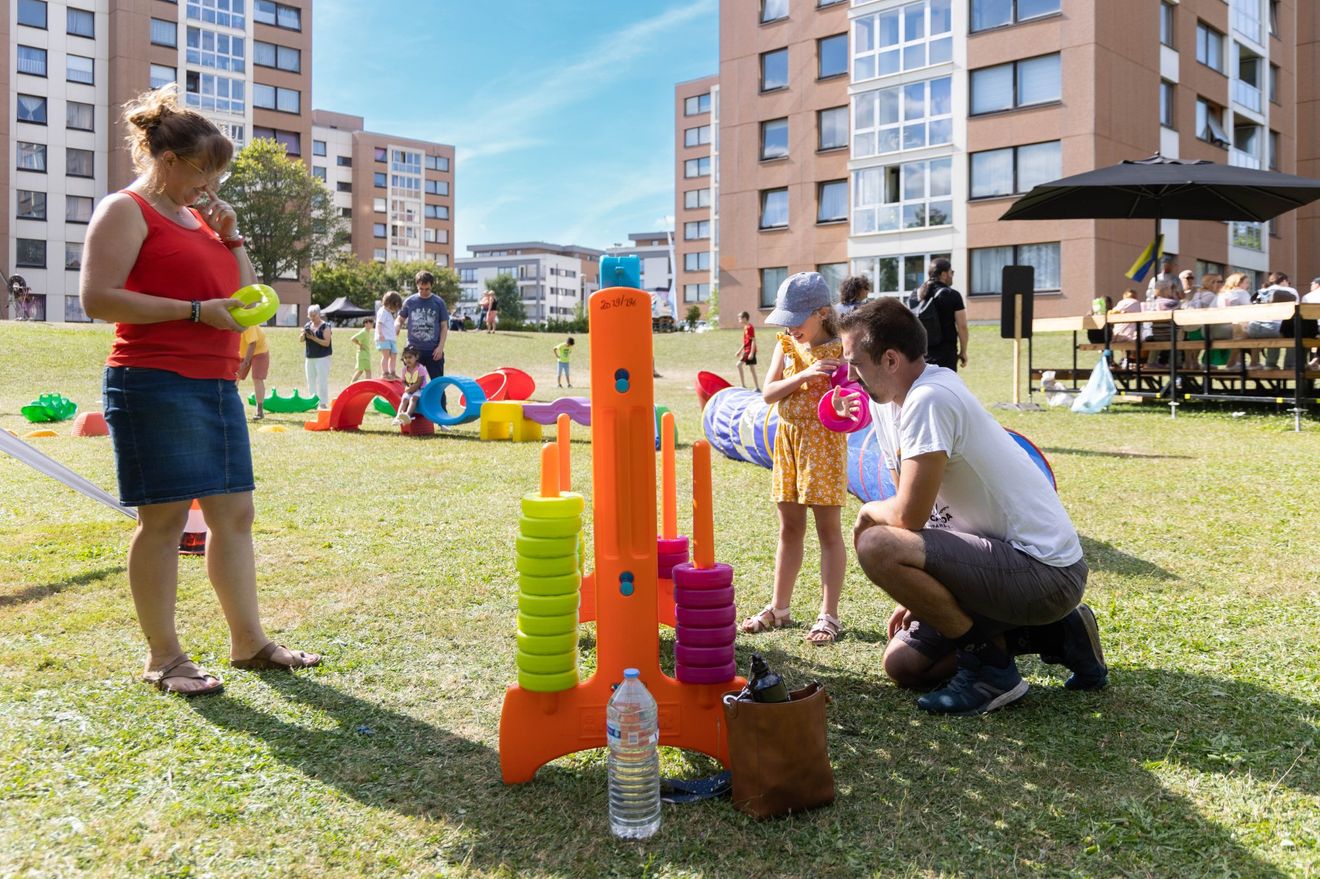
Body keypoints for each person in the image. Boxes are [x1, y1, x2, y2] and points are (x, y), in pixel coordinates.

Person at [77, 85, 319, 697]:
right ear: (167, 159)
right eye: (203, 171)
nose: (210, 185)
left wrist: (232, 237)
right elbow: (98, 298)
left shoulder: (203, 221)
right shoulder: (125, 209)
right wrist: (192, 311)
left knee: (234, 516)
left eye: (219, 174)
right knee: (161, 521)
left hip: (215, 384)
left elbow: (245, 301)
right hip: (153, 381)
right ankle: (165, 657)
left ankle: (250, 643)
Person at [838, 298, 1105, 715]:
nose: (850, 374)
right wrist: (916, 592)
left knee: (876, 545)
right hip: (990, 562)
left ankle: (991, 669)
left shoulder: (931, 397)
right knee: (903, 666)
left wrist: (868, 512)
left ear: (890, 359)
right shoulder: (884, 401)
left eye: (855, 362)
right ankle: (1055, 634)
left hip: (1044, 572)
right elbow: (916, 519)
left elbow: (906, 516)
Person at [739, 272, 849, 645]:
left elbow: (854, 400)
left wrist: (839, 399)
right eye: (785, 319)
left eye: (796, 319)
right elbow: (769, 393)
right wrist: (805, 375)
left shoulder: (842, 349)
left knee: (828, 531)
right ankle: (779, 609)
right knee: (789, 527)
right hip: (788, 442)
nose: (790, 326)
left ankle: (828, 615)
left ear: (821, 312)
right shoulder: (785, 345)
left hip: (824, 444)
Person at [396, 271, 450, 420]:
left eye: (427, 289)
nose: (424, 292)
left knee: (438, 384)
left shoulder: (438, 302)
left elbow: (444, 326)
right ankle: (409, 415)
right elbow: (400, 319)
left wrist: (440, 347)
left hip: (433, 351)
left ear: (432, 286)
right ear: (417, 286)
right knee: (412, 384)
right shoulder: (410, 301)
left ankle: (442, 417)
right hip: (413, 351)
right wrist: (397, 326)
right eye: (421, 289)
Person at [910, 258, 967, 371]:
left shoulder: (915, 294)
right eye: (952, 272)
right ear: (944, 274)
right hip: (946, 355)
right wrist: (963, 351)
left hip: (920, 356)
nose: (952, 275)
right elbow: (962, 327)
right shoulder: (952, 295)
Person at [1215, 272, 1255, 369]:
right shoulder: (1241, 292)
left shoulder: (1221, 294)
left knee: (1240, 329)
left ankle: (1237, 362)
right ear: (1238, 283)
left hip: (1215, 329)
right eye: (1246, 283)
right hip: (1232, 329)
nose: (1248, 285)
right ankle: (1253, 363)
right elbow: (1252, 311)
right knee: (1257, 333)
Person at [236, 321, 270, 420]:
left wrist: (245, 363)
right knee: (234, 378)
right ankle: (229, 407)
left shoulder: (247, 323)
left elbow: (252, 343)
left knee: (257, 379)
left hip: (259, 350)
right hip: (242, 352)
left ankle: (259, 411)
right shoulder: (228, 323)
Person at [302, 304, 333, 408]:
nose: (312, 318)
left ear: (319, 314)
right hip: (310, 357)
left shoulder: (326, 326)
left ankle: (323, 403)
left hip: (322, 357)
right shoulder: (307, 325)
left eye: (314, 315)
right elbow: (301, 340)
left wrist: (314, 338)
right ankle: (313, 402)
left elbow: (326, 343)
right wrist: (303, 335)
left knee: (322, 380)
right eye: (310, 316)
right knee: (310, 380)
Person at [391, 345, 429, 426]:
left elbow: (419, 382)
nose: (407, 359)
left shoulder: (420, 368)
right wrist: (406, 387)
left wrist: (411, 389)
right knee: (404, 399)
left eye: (410, 357)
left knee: (413, 398)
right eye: (405, 358)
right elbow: (403, 381)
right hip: (410, 389)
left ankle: (407, 415)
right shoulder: (404, 369)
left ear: (416, 357)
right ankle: (398, 417)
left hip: (420, 389)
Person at [376, 291, 403, 380]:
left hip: (391, 338)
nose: (396, 310)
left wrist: (395, 332)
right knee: (386, 356)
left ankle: (392, 372)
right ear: (390, 304)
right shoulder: (383, 311)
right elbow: (379, 324)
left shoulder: (388, 313)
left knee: (394, 355)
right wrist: (380, 334)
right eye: (396, 307)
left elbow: (389, 326)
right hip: (384, 338)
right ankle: (385, 373)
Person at [735, 311, 759, 391]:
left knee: (738, 365)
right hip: (746, 350)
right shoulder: (745, 327)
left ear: (745, 318)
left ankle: (743, 386)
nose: (739, 319)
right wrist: (739, 351)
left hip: (749, 351)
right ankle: (757, 387)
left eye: (740, 318)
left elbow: (753, 341)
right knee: (752, 368)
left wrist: (752, 353)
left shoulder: (749, 327)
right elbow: (745, 342)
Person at [349, 316, 374, 383]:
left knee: (367, 371)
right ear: (365, 324)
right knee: (360, 371)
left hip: (366, 354)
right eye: (370, 323)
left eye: (372, 323)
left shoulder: (367, 332)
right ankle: (351, 385)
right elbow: (353, 338)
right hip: (362, 355)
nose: (372, 324)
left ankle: (367, 385)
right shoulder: (363, 332)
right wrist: (360, 345)